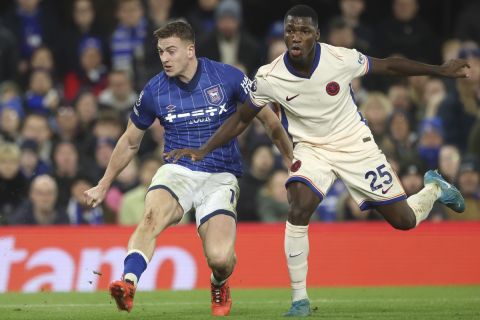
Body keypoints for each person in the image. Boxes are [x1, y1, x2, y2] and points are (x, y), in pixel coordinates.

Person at [166, 5, 469, 317]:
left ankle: (433, 188)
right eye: (291, 31)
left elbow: (390, 66)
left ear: (316, 35)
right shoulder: (270, 76)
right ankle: (299, 300)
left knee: (403, 220)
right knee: (298, 204)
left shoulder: (340, 59)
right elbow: (242, 119)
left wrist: (440, 70)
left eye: (304, 31)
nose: (296, 37)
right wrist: (204, 149)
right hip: (311, 149)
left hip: (355, 146)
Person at [83, 21, 291, 316]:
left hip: (220, 176)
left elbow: (269, 122)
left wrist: (290, 161)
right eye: (160, 52)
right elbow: (130, 141)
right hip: (177, 171)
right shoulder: (154, 89)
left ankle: (219, 281)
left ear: (190, 50)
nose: (165, 58)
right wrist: (103, 184)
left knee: (220, 258)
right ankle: (128, 283)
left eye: (171, 51)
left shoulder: (227, 77)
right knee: (151, 217)